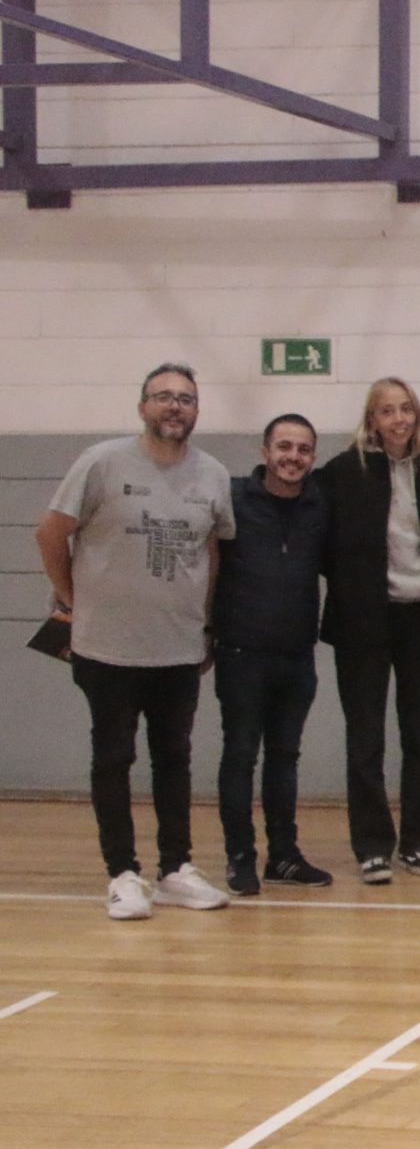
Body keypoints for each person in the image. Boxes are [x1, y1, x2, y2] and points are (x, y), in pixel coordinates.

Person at [36, 364, 238, 919]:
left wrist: (205, 623)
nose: (175, 406)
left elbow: (213, 550)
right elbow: (51, 532)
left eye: (186, 399)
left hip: (178, 648)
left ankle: (175, 868)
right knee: (113, 757)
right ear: (142, 406)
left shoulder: (213, 474)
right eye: (164, 397)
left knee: (174, 759)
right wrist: (71, 599)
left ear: (197, 411)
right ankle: (122, 874)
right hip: (107, 648)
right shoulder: (101, 462)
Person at [318, 377, 420, 885]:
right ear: (372, 419)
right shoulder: (343, 471)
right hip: (364, 622)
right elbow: (322, 541)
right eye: (387, 411)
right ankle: (372, 846)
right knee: (366, 737)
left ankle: (416, 841)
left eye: (405, 409)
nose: (398, 419)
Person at [212, 413, 333, 895]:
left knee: (285, 758)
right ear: (265, 452)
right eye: (284, 447)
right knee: (240, 755)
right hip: (241, 653)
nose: (293, 457)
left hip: (297, 656)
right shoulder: (233, 498)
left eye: (303, 449)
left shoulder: (320, 505)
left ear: (313, 457)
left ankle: (283, 856)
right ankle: (240, 856)